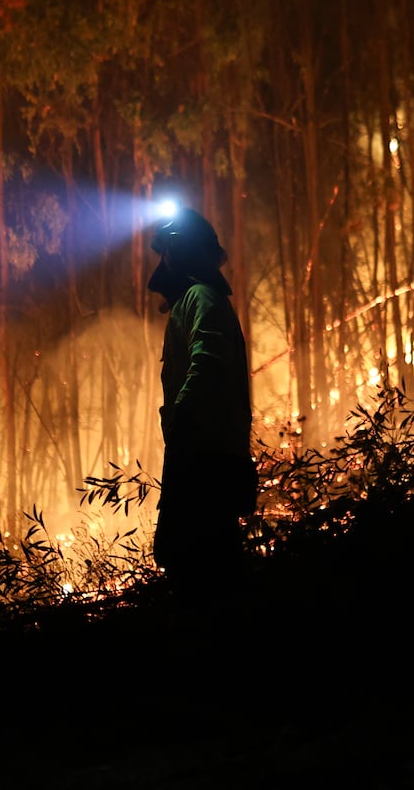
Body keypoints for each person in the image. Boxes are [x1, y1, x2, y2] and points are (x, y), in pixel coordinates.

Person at [147, 206, 257, 594]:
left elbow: (207, 361)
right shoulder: (193, 301)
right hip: (200, 453)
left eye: (168, 252)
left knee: (203, 568)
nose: (164, 261)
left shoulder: (201, 298)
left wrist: (184, 418)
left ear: (182, 253)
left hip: (204, 458)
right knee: (197, 562)